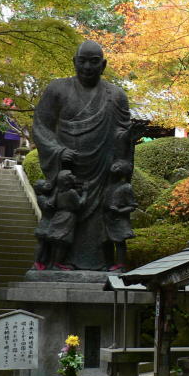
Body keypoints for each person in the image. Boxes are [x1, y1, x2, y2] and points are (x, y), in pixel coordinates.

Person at [33, 41, 132, 270]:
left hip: (102, 171)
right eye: (82, 61)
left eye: (94, 62)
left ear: (103, 65)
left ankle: (103, 262)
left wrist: (122, 160)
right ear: (74, 62)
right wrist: (58, 151)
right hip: (68, 172)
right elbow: (41, 126)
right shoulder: (57, 89)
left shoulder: (116, 95)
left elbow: (122, 137)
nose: (87, 66)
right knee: (62, 221)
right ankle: (54, 261)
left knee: (101, 223)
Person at [47, 170, 87, 270]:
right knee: (63, 241)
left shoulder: (58, 191)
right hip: (68, 217)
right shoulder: (72, 192)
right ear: (67, 181)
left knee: (56, 241)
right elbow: (80, 204)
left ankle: (52, 263)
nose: (74, 176)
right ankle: (57, 264)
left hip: (58, 216)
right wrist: (85, 192)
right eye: (71, 175)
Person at [104, 160, 137, 271]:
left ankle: (120, 264)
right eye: (116, 165)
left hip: (119, 219)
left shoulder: (126, 187)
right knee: (107, 241)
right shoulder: (108, 185)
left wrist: (120, 211)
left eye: (119, 167)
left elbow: (132, 206)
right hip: (107, 218)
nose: (115, 167)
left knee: (119, 242)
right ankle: (108, 263)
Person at [32, 179, 55, 270]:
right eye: (44, 184)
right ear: (40, 189)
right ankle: (36, 262)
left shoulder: (47, 195)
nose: (47, 185)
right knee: (41, 243)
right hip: (45, 223)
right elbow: (48, 205)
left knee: (46, 245)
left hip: (50, 222)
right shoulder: (41, 197)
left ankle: (44, 261)